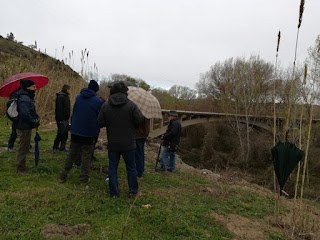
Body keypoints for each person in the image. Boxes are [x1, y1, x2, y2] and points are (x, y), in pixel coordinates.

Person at [98, 81, 144, 197]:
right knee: (131, 168)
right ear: (125, 91)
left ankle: (114, 192)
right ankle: (133, 192)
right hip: (129, 143)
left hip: (113, 143)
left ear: (112, 91)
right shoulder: (131, 105)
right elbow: (140, 120)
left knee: (112, 167)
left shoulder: (106, 105)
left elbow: (100, 122)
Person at [60, 80, 103, 184]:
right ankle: (83, 179)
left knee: (71, 154)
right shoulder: (98, 101)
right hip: (89, 133)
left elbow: (74, 113)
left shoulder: (78, 97)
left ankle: (63, 175)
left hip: (75, 131)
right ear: (96, 90)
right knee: (86, 157)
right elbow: (100, 117)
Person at [15, 79, 40, 173]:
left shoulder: (27, 97)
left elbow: (30, 111)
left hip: (25, 125)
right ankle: (20, 168)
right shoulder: (25, 98)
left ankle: (21, 166)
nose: (35, 88)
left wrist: (36, 117)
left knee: (24, 146)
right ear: (27, 87)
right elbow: (25, 114)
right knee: (23, 147)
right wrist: (34, 121)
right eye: (33, 86)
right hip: (24, 126)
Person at [53, 84, 71, 152]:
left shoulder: (65, 96)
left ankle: (62, 147)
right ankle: (55, 147)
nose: (70, 90)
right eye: (69, 89)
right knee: (61, 133)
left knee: (65, 133)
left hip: (65, 118)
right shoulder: (61, 97)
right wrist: (61, 119)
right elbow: (59, 109)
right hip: (61, 118)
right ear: (66, 89)